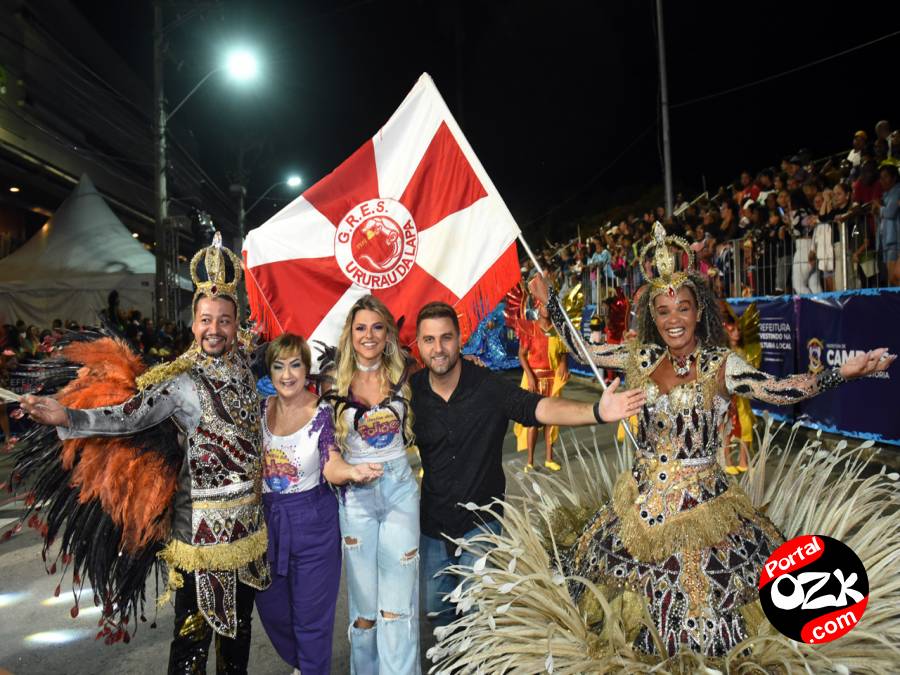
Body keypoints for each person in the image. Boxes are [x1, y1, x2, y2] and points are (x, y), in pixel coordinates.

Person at [427, 224, 894, 672]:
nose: (674, 320)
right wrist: (549, 305)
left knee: (714, 618)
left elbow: (779, 390)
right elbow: (577, 345)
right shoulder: (641, 358)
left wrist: (841, 373)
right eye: (664, 311)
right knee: (618, 619)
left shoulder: (720, 364)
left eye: (683, 309)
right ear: (653, 316)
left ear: (698, 312)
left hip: (707, 506)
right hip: (639, 502)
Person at [18, 233, 270, 674]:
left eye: (224, 320)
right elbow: (126, 417)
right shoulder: (180, 382)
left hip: (248, 533)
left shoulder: (246, 370)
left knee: (238, 641)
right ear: (193, 324)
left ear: (236, 323)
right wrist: (68, 417)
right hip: (200, 539)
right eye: (206, 319)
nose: (214, 329)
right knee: (192, 643)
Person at [412, 301, 646, 628]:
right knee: (438, 618)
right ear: (418, 344)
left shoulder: (486, 386)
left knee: (479, 621)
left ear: (460, 338)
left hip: (481, 523)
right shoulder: (411, 393)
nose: (438, 348)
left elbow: (539, 408)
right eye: (429, 340)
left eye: (446, 338)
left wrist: (597, 412)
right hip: (433, 527)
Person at [255, 332, 382, 675]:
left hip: (314, 522)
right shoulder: (258, 411)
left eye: (295, 365)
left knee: (312, 618)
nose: (287, 374)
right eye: (279, 366)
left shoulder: (323, 411)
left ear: (306, 369)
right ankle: (305, 664)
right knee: (273, 609)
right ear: (270, 371)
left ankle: (312, 668)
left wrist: (352, 472)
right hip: (267, 523)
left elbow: (331, 463)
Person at [323, 294, 420, 675]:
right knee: (365, 612)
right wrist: (348, 471)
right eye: (361, 327)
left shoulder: (404, 373)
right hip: (356, 501)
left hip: (399, 492)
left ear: (388, 334)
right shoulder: (332, 381)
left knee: (396, 608)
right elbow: (326, 447)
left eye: (377, 327)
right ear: (350, 333)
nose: (369, 335)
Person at [514, 305, 569, 472]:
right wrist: (530, 377)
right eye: (542, 305)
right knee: (533, 421)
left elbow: (563, 352)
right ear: (537, 307)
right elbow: (521, 355)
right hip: (535, 380)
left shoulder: (556, 330)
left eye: (548, 305)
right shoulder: (530, 328)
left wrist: (564, 366)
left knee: (550, 420)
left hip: (552, 379)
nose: (546, 308)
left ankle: (549, 459)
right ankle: (530, 461)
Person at [875, 164, 900, 286]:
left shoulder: (898, 190)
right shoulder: (885, 195)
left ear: (894, 177)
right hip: (885, 243)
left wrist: (879, 207)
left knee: (894, 280)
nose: (882, 181)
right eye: (880, 178)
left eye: (885, 177)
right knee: (891, 281)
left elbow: (890, 212)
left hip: (894, 241)